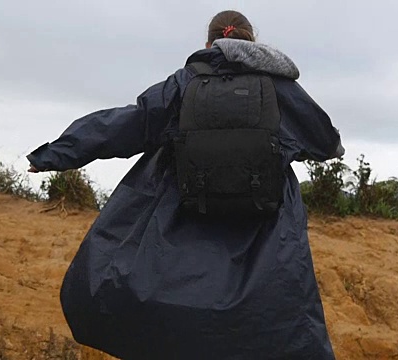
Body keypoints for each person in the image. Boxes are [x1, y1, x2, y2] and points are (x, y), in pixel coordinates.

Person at [27, 10, 344, 360]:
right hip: (266, 239)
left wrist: (55, 154)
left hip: (177, 234)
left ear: (210, 44)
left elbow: (126, 125)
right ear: (252, 41)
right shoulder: (282, 90)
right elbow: (324, 142)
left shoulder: (184, 83)